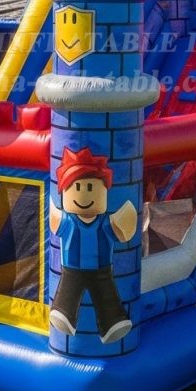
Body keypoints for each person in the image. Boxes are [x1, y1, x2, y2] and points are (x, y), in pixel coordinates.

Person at [49, 147, 137, 344]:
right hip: (72, 270)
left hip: (102, 270)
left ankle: (113, 322)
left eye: (90, 188)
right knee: (67, 293)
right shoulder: (69, 222)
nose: (84, 195)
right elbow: (55, 220)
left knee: (107, 295)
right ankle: (63, 314)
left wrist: (126, 218)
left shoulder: (103, 222)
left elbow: (119, 230)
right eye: (78, 188)